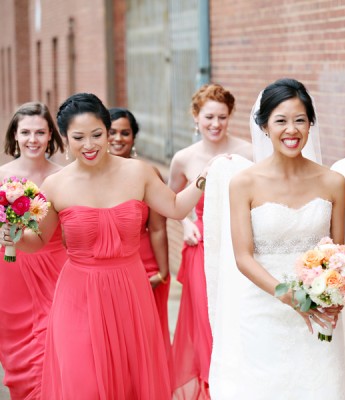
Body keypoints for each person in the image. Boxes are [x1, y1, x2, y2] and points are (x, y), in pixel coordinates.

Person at [0, 93, 209, 399]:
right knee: (83, 381)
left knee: (130, 379)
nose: (89, 145)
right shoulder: (56, 184)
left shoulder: (138, 172)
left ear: (108, 131)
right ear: (64, 137)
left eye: (97, 135)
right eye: (79, 137)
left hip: (130, 291)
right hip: (77, 295)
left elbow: (176, 207)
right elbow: (40, 240)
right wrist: (14, 236)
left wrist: (204, 178)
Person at [218, 78, 345, 398]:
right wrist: (288, 295)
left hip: (318, 311)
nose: (291, 130)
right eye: (281, 121)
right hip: (263, 308)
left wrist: (334, 298)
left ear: (310, 124)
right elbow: (243, 257)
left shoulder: (334, 182)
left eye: (300, 120)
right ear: (264, 126)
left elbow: (338, 253)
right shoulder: (243, 183)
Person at [168, 83, 252, 398]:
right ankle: (209, 389)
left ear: (230, 117)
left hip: (238, 248)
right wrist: (186, 223)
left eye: (222, 117)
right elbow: (170, 202)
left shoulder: (248, 152)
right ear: (196, 117)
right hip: (200, 251)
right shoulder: (184, 158)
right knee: (206, 322)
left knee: (235, 320)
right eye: (209, 118)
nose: (215, 124)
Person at [0, 102, 68, 400]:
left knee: (60, 340)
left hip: (57, 268)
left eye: (40, 132)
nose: (33, 139)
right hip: (11, 270)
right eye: (25, 132)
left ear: (50, 135)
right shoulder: (1, 175)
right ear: (14, 135)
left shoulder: (63, 176)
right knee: (21, 347)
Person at [108, 107, 173, 387]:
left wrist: (162, 272)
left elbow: (158, 227)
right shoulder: (89, 175)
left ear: (134, 137)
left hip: (143, 264)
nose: (118, 138)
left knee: (145, 336)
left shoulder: (148, 172)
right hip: (105, 267)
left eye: (125, 132)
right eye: (111, 132)